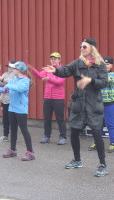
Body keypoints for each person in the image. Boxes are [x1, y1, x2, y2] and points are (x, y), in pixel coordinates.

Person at [43, 38, 108, 177]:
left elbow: (103, 82)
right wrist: (55, 70)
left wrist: (90, 80)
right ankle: (77, 160)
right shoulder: (77, 63)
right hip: (78, 103)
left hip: (93, 104)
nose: (81, 49)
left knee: (96, 133)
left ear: (92, 48)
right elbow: (65, 71)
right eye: (80, 46)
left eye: (84, 46)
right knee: (74, 132)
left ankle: (103, 165)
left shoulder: (100, 65)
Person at [0, 61, 35, 161]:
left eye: (14, 69)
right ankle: (12, 150)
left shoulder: (26, 81)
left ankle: (30, 152)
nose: (12, 70)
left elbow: (19, 89)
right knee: (13, 129)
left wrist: (8, 86)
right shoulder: (14, 79)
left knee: (24, 130)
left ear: (19, 70)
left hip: (21, 110)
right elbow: (5, 90)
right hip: (11, 108)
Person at [29, 52, 67, 145]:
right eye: (52, 59)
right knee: (47, 118)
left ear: (59, 60)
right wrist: (33, 70)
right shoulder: (47, 69)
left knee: (60, 118)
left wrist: (48, 79)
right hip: (47, 97)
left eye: (55, 59)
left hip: (58, 98)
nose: (53, 60)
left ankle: (63, 137)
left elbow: (59, 81)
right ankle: (47, 136)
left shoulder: (63, 70)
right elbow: (39, 76)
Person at [88, 56, 114, 153]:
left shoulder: (112, 75)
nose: (105, 66)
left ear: (111, 65)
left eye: (107, 64)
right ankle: (97, 142)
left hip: (110, 104)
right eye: (104, 64)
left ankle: (113, 143)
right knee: (97, 124)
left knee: (110, 124)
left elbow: (106, 79)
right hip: (98, 103)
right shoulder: (98, 75)